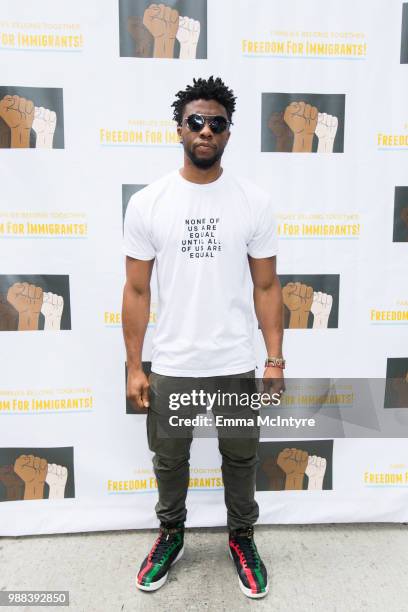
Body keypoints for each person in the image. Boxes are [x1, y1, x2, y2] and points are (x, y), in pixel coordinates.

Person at [122, 76, 284, 599]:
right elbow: (137, 290)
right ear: (180, 129)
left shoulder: (253, 202)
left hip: (235, 359)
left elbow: (266, 284)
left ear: (229, 133)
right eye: (197, 121)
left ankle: (242, 539)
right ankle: (171, 535)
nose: (206, 130)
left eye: (217, 123)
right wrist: (134, 365)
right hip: (172, 361)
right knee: (170, 460)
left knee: (241, 459)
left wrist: (275, 360)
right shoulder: (149, 202)